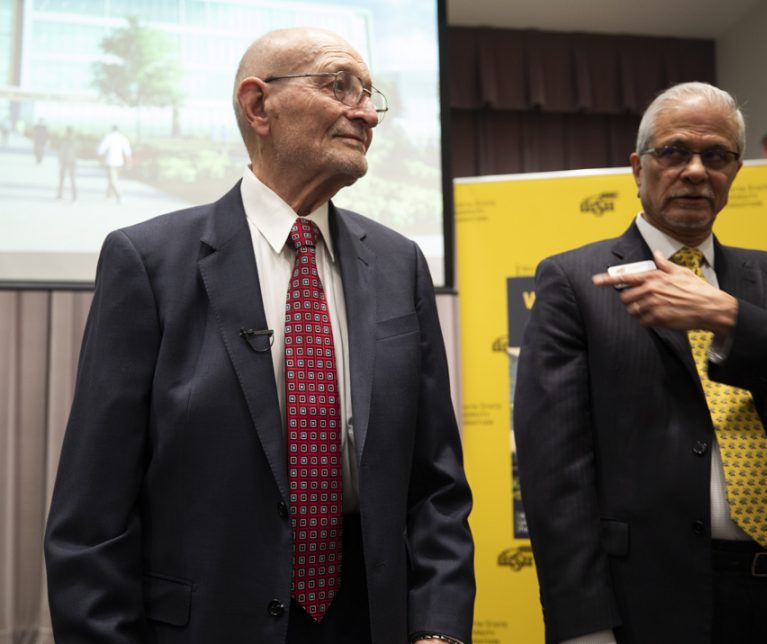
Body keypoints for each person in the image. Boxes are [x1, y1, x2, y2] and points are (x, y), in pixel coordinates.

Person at [45, 27, 475, 644]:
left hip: (370, 621)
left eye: (369, 94)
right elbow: (93, 513)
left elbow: (436, 486)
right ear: (258, 104)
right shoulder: (148, 261)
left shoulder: (399, 262)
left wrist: (440, 629)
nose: (364, 112)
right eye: (339, 85)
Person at [513, 82, 767, 644]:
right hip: (651, 603)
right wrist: (583, 626)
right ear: (637, 167)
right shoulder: (574, 282)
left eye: (715, 155)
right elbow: (554, 475)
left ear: (735, 171)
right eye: (674, 152)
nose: (695, 171)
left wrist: (731, 319)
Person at [96, 124, 131, 202]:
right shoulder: (123, 138)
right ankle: (108, 194)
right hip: (119, 163)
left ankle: (119, 196)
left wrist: (100, 160)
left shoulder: (108, 138)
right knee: (112, 179)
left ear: (112, 130)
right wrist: (128, 163)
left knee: (113, 180)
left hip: (110, 162)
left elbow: (100, 150)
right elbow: (127, 152)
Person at [56, 126, 78, 201]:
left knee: (63, 179)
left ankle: (60, 194)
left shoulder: (65, 141)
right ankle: (73, 195)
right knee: (71, 179)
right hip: (71, 161)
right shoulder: (74, 141)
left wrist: (60, 160)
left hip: (66, 161)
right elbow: (78, 151)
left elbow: (61, 151)